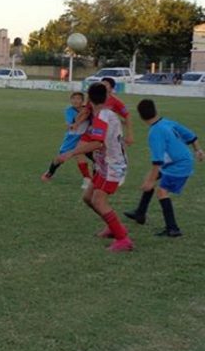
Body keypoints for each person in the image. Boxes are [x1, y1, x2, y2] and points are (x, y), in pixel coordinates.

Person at [56, 82, 132, 252]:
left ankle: (123, 239)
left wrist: (70, 153)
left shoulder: (103, 117)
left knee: (98, 200)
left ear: (89, 99)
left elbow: (97, 143)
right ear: (106, 98)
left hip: (113, 165)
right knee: (88, 198)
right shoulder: (102, 114)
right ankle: (114, 228)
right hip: (103, 163)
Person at [124, 99, 204, 237]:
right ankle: (140, 213)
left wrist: (151, 181)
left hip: (179, 165)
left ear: (141, 116)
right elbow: (191, 135)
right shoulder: (167, 122)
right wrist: (199, 150)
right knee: (150, 178)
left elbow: (157, 161)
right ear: (155, 110)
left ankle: (173, 229)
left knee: (161, 191)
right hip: (178, 160)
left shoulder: (155, 132)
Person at [41, 92, 92, 188]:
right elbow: (71, 123)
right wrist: (72, 124)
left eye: (78, 99)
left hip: (85, 139)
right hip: (71, 139)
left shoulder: (89, 110)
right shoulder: (69, 110)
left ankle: (88, 178)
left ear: (83, 100)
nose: (75, 101)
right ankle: (50, 172)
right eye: (73, 99)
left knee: (81, 155)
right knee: (59, 159)